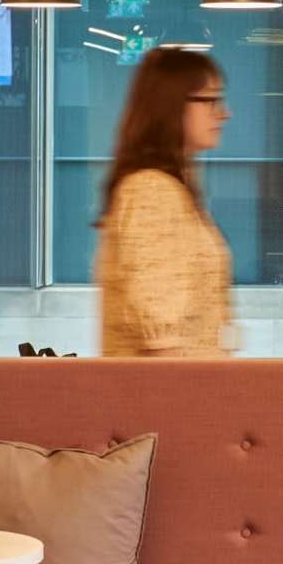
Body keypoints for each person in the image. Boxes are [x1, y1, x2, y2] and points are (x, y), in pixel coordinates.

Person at [93, 45, 234, 357]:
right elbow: (161, 336)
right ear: (173, 106)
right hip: (171, 398)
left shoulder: (172, 188)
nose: (224, 113)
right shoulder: (151, 193)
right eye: (211, 100)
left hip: (190, 393)